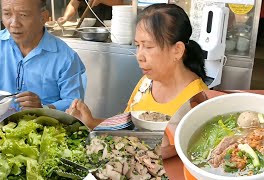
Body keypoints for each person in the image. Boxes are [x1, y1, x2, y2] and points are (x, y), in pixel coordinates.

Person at [66, 3, 208, 130]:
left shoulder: (198, 101)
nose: (139, 55)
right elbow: (126, 129)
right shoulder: (147, 83)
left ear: (177, 50)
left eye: (148, 46)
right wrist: (90, 122)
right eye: (138, 45)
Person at [0, 0, 85, 111]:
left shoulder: (66, 58)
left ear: (43, 17)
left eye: (23, 15)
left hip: (45, 125)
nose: (14, 24)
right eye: (7, 14)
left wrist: (43, 109)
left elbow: (74, 103)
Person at [57, 0, 123, 26]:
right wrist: (65, 17)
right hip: (86, 29)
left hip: (108, 28)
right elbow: (73, 4)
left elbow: (120, 2)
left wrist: (101, 0)